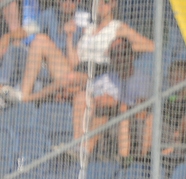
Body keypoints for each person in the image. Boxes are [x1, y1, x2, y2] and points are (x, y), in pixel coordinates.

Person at [0, 0, 152, 116]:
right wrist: (69, 36)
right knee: (30, 43)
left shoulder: (105, 24)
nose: (99, 5)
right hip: (70, 69)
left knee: (68, 77)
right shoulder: (89, 28)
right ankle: (15, 92)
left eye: (104, 1)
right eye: (96, 2)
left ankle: (25, 98)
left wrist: (115, 51)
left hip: (95, 74)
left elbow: (150, 46)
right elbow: (74, 62)